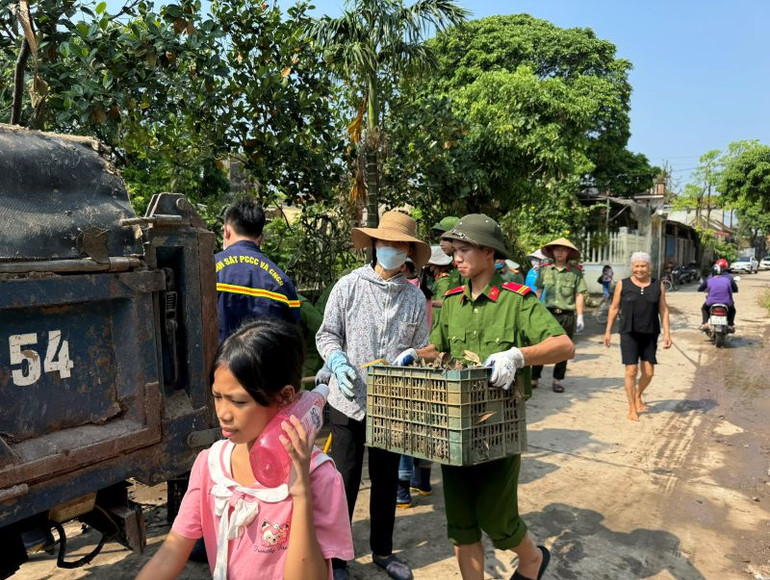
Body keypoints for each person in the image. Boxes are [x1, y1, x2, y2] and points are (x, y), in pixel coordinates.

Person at [415, 214, 574, 580]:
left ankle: (531, 558)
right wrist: (413, 354)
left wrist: (518, 355)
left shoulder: (516, 300)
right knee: (461, 522)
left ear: (489, 252)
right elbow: (437, 347)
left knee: (495, 516)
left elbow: (563, 346)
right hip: (455, 425)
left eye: (465, 249)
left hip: (499, 427)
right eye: (455, 250)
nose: (457, 257)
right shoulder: (452, 300)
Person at [137, 320, 353, 580]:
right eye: (217, 397)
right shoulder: (211, 465)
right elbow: (171, 553)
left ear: (285, 397)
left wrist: (301, 493)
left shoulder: (320, 477)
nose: (223, 414)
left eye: (239, 402)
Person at [316, 211, 431, 580]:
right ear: (374, 245)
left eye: (399, 245)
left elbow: (423, 346)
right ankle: (336, 559)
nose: (391, 250)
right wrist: (336, 361)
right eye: (385, 243)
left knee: (385, 481)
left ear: (409, 252)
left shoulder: (414, 299)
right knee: (342, 481)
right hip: (346, 401)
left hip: (391, 404)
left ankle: (383, 551)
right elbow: (327, 333)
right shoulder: (348, 286)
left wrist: (414, 356)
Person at [215, 199, 300, 343]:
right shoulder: (282, 281)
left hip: (216, 364)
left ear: (227, 231)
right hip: (265, 364)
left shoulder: (206, 269)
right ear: (261, 239)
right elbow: (292, 333)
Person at [603, 252, 672, 422]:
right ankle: (632, 408)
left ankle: (638, 394)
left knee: (648, 372)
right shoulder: (623, 284)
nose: (640, 269)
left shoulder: (658, 285)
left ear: (649, 268)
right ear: (632, 267)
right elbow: (613, 308)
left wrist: (667, 334)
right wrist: (608, 331)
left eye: (643, 266)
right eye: (637, 266)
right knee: (631, 370)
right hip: (629, 332)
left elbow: (663, 310)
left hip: (650, 333)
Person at [532, 237, 587, 393]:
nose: (560, 252)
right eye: (557, 249)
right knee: (541, 346)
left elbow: (579, 295)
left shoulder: (575, 273)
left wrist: (581, 316)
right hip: (548, 313)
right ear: (552, 252)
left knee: (564, 349)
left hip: (567, 314)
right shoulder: (545, 270)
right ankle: (534, 378)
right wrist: (534, 310)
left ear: (568, 252)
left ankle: (557, 380)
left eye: (563, 249)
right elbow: (539, 291)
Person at [698, 264, 738, 331]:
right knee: (733, 310)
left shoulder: (709, 280)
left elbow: (700, 288)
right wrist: (731, 302)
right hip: (726, 302)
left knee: (704, 308)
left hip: (711, 302)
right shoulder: (727, 280)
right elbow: (730, 292)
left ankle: (705, 324)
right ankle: (730, 325)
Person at [427, 244, 455, 326]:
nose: (427, 268)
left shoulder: (443, 282)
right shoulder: (438, 280)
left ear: (437, 265)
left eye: (429, 265)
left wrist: (429, 303)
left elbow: (443, 304)